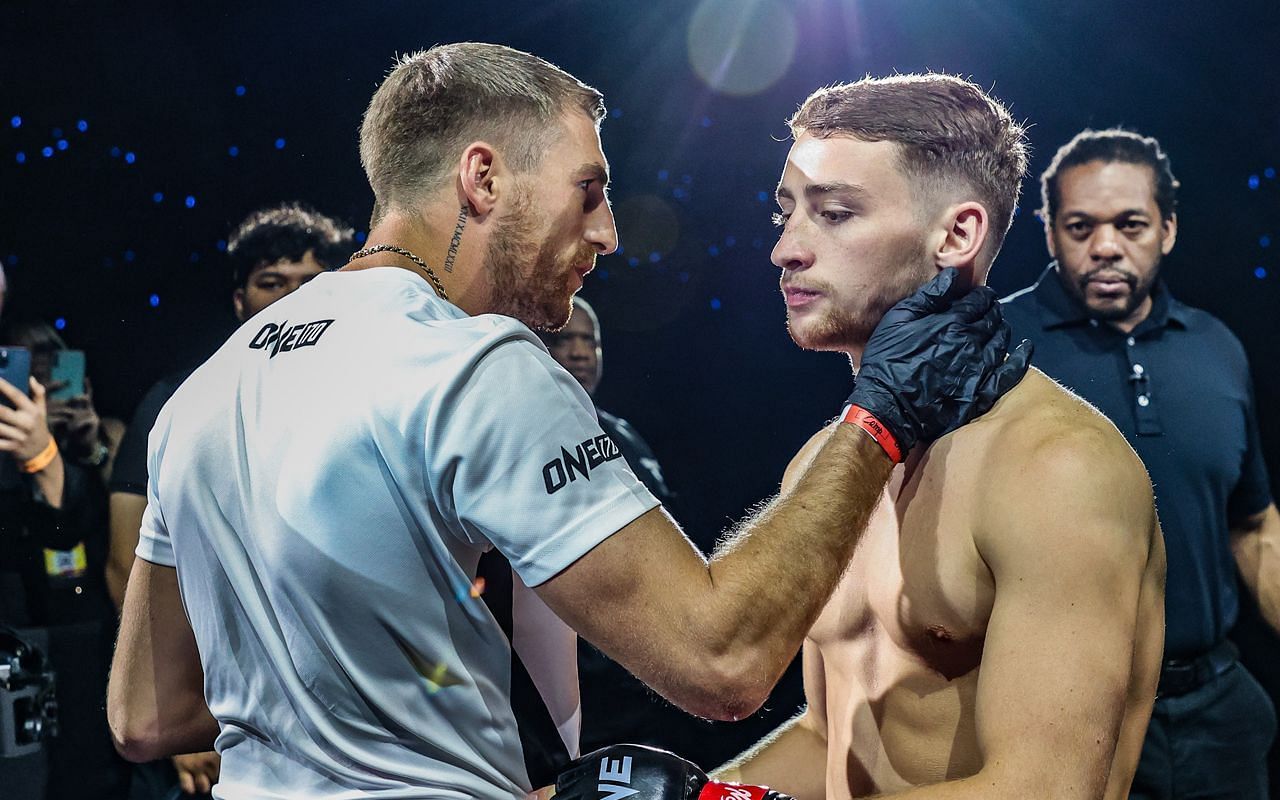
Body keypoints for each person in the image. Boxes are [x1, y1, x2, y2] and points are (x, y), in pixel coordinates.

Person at [106, 44, 1026, 799]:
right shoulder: (475, 365)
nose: (609, 232)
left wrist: (357, 677)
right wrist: (878, 417)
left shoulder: (202, 393)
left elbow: (147, 713)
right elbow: (721, 661)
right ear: (482, 178)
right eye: (588, 189)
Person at [716, 75, 1166, 800]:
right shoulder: (823, 465)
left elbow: (1046, 789)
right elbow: (827, 740)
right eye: (785, 214)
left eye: (833, 214)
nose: (787, 251)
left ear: (957, 235)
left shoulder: (1058, 470)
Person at [1000, 128, 1279, 799]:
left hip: (1219, 708)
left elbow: (1252, 524)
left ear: (1169, 230)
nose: (1104, 247)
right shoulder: (995, 349)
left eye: (1130, 224)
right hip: (1061, 715)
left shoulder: (1218, 349)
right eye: (1080, 226)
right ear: (1049, 233)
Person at [105, 202, 353, 798]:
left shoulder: (366, 401)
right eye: (272, 283)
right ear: (239, 299)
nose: (294, 297)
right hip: (221, 722)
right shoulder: (183, 404)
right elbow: (126, 563)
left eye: (311, 283)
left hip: (350, 723)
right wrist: (179, 717)